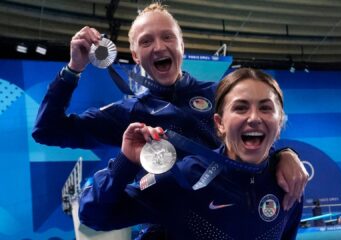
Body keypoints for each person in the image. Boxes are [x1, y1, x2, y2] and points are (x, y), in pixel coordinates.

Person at [32, 2, 307, 210]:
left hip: (235, 219)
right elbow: (47, 130)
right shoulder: (126, 115)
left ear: (181, 46)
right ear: (136, 57)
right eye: (146, 41)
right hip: (170, 227)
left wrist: (284, 154)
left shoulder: (221, 94)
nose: (159, 46)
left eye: (168, 37)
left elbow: (254, 140)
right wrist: (73, 70)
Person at [79, 68, 303, 239]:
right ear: (220, 123)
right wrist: (124, 164)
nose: (254, 117)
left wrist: (285, 154)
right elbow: (93, 215)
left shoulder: (290, 183)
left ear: (280, 120)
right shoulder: (184, 177)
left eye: (266, 108)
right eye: (240, 108)